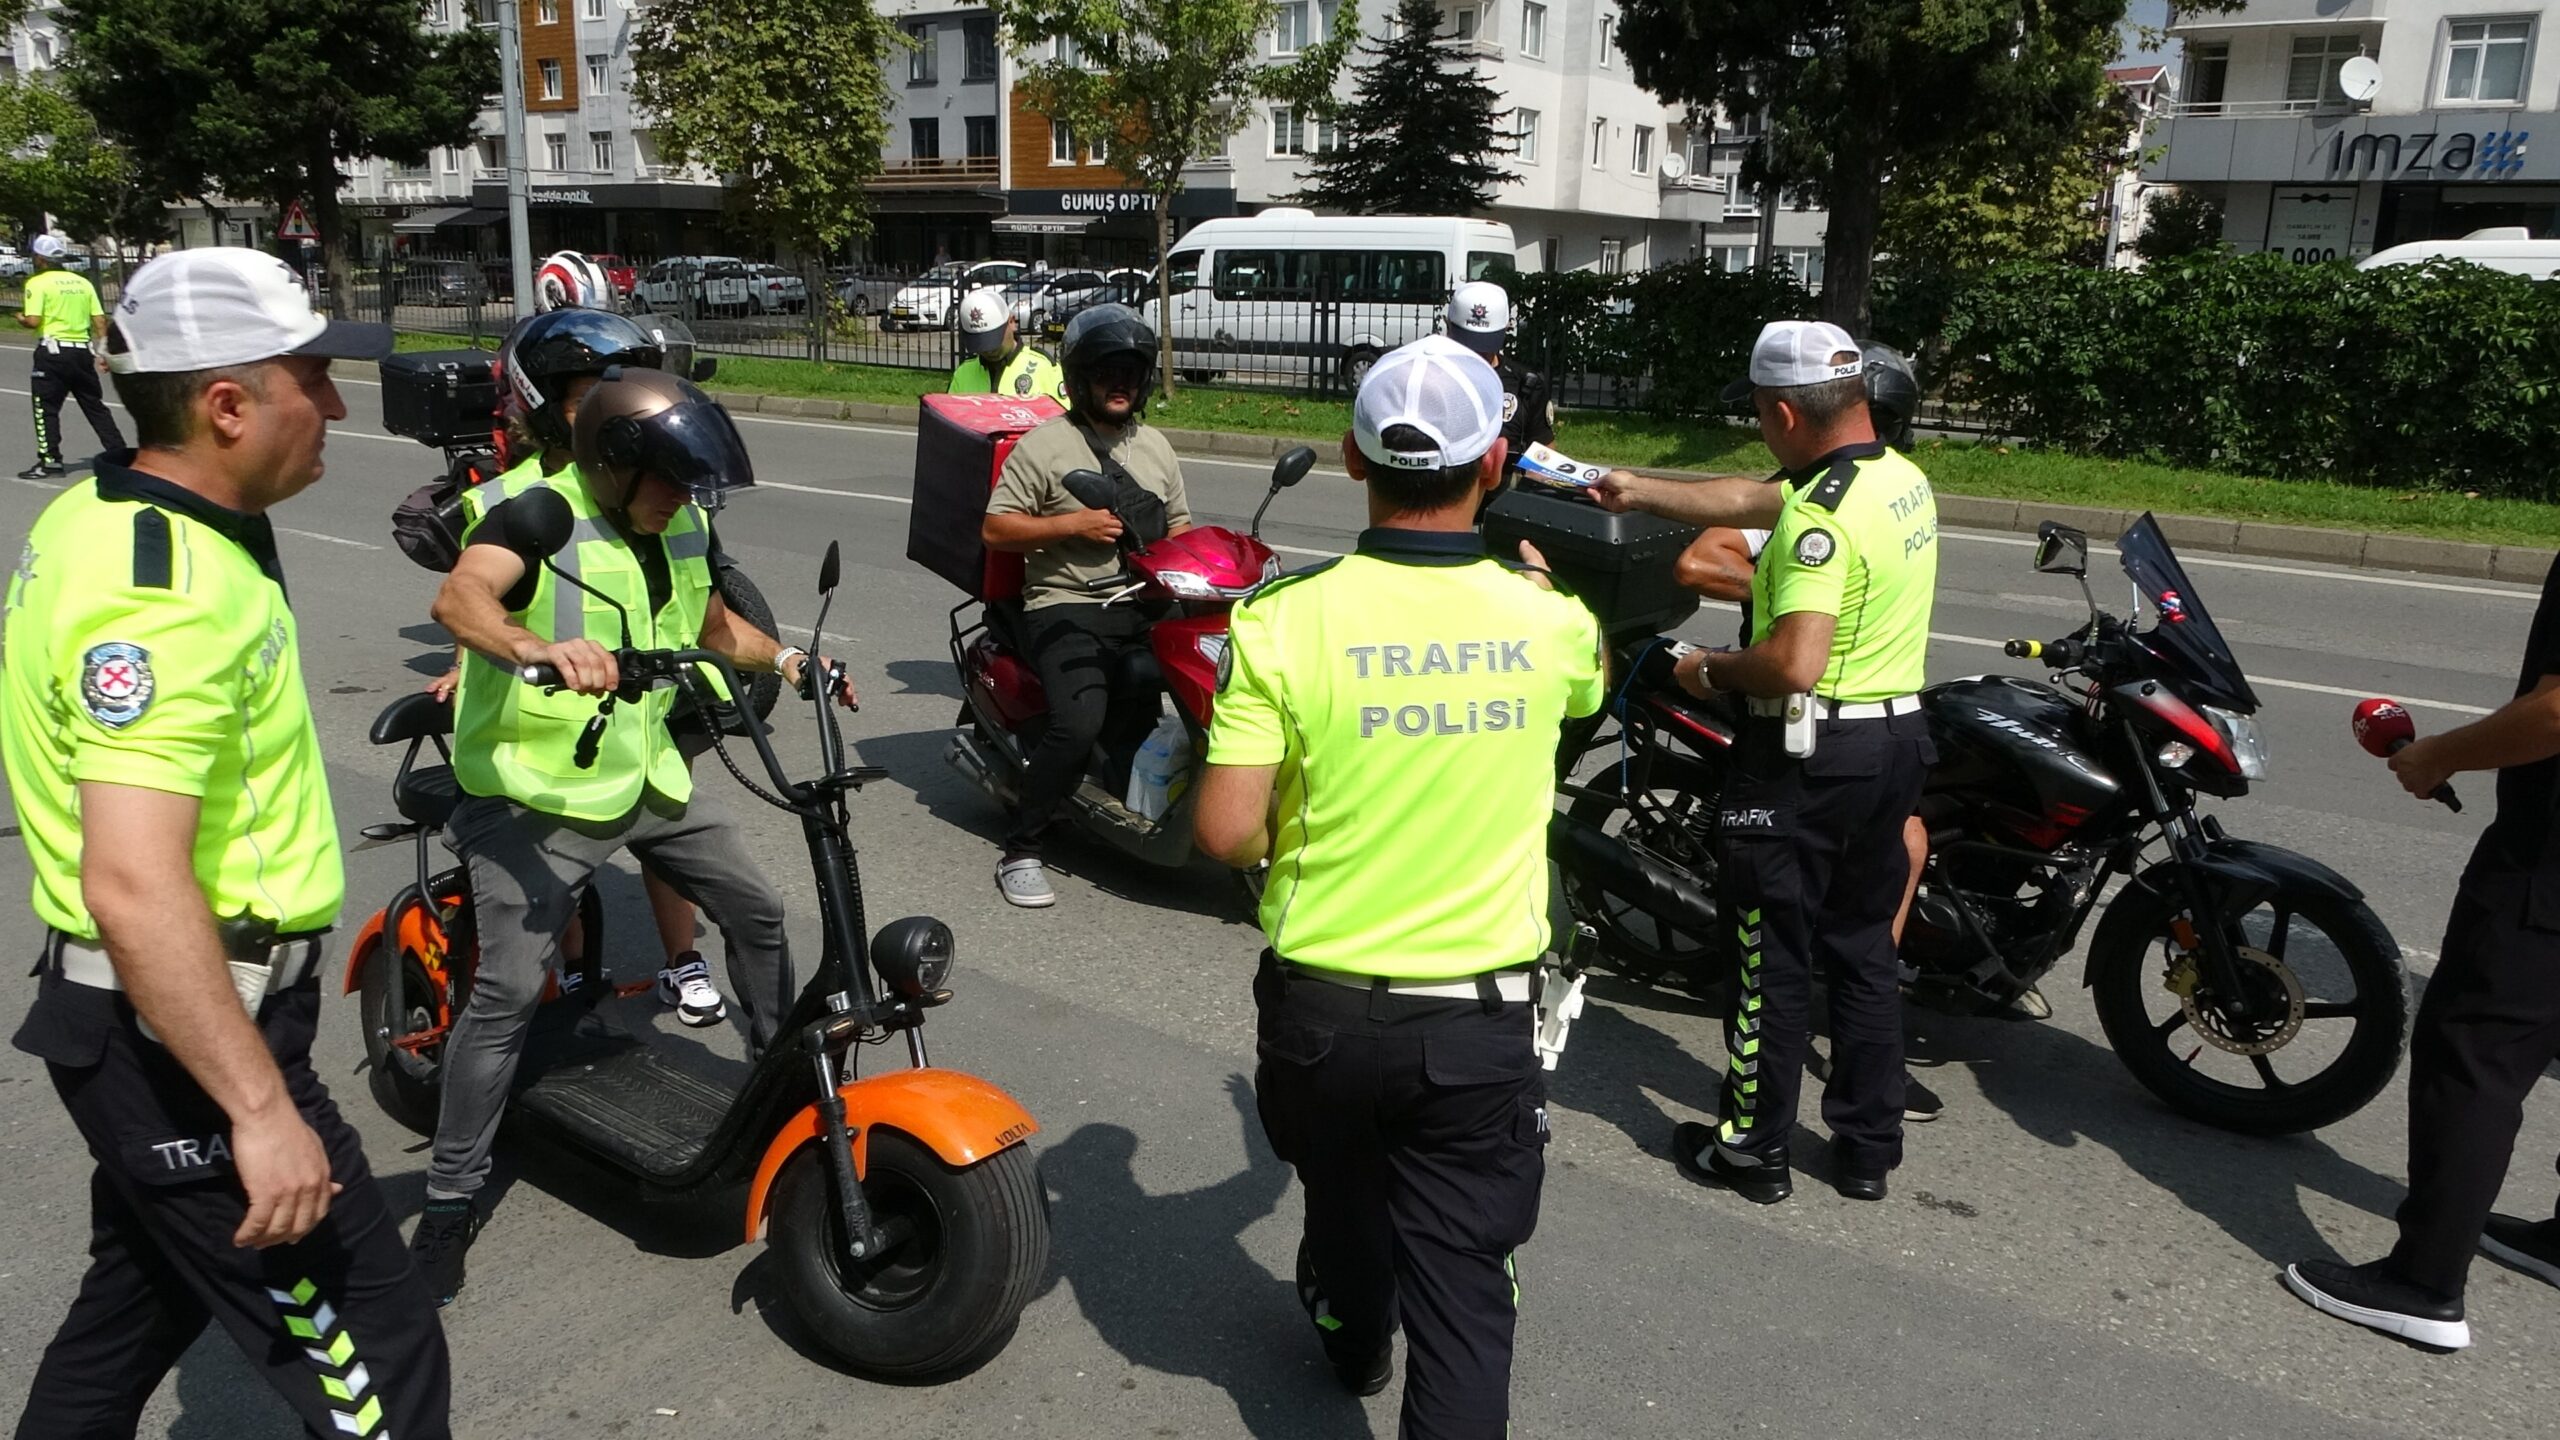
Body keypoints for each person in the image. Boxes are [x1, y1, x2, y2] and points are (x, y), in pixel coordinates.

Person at [3, 248, 451, 1438]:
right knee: (383, 1364)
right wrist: (259, 1112)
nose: (341, 408)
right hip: (189, 1031)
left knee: (133, 1310)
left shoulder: (115, 506)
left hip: (169, 1021)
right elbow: (136, 882)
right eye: (317, 377)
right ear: (227, 403)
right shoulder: (164, 589)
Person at [1197, 333, 1604, 1436]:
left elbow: (1227, 830)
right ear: (1497, 465)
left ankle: (1348, 1331)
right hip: (1477, 1019)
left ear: (1350, 458)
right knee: (1466, 1291)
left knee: (1339, 1192)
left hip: (1322, 1010)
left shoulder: (1279, 623)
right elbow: (1578, 704)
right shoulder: (1553, 624)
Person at [411, 366, 855, 1304]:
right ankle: (450, 1198)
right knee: (500, 999)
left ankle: (780, 1099)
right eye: (669, 480)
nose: (684, 499)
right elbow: (461, 600)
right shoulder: (536, 515)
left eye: (693, 484)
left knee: (760, 910)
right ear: (612, 466)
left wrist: (787, 656)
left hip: (641, 772)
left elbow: (707, 623)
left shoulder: (680, 519)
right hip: (535, 795)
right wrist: (537, 648)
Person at [1592, 318, 1938, 1205]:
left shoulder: (1819, 520)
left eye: (1758, 413)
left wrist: (1706, 669)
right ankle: (1868, 1149)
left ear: (1784, 410)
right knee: (1862, 947)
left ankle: (1751, 1148)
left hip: (1807, 753)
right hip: (1894, 743)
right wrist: (1638, 489)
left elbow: (1793, 662)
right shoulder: (1898, 479)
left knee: (1766, 955)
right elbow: (1753, 497)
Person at [435, 306, 740, 1028]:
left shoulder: (667, 489)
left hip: (653, 702)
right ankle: (572, 970)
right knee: (551, 882)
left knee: (678, 834)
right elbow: (479, 597)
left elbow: (708, 608)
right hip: (555, 730)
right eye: (582, 400)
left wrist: (787, 659)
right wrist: (477, 660)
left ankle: (682, 959)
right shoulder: (511, 501)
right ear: (545, 408)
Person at [2283, 557, 2560, 1350]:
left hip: (2548, 866)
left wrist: (2443, 753)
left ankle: (2423, 1284)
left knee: (2472, 1053)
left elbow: (2555, 712)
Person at [979, 303, 1194, 908]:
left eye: (1130, 372)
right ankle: (1022, 846)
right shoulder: (1046, 447)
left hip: (1143, 601)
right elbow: (996, 530)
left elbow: (1178, 527)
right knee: (1079, 724)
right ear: (1078, 380)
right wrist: (1071, 524)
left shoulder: (1155, 447)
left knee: (1196, 704)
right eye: (1106, 372)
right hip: (1065, 602)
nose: (1119, 384)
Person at [18, 232, 126, 479]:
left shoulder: (37, 283)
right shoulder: (82, 282)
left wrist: (22, 319)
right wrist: (103, 351)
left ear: (39, 258)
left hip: (53, 352)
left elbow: (34, 320)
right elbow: (99, 319)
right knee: (94, 405)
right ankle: (119, 453)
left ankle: (50, 461)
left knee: (45, 407)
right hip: (82, 352)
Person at [1443, 280, 1552, 490]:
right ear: (1448, 327)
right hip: (1439, 506)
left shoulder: (1526, 384)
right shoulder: (1429, 378)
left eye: (1484, 345)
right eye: (1466, 344)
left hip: (1502, 507)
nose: (1476, 355)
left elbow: (1543, 451)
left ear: (1506, 329)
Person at [947, 286, 1066, 403]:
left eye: (993, 340)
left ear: (1012, 322)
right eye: (980, 343)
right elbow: (946, 417)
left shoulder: (1044, 369)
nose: (989, 350)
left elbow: (1065, 419)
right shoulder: (963, 373)